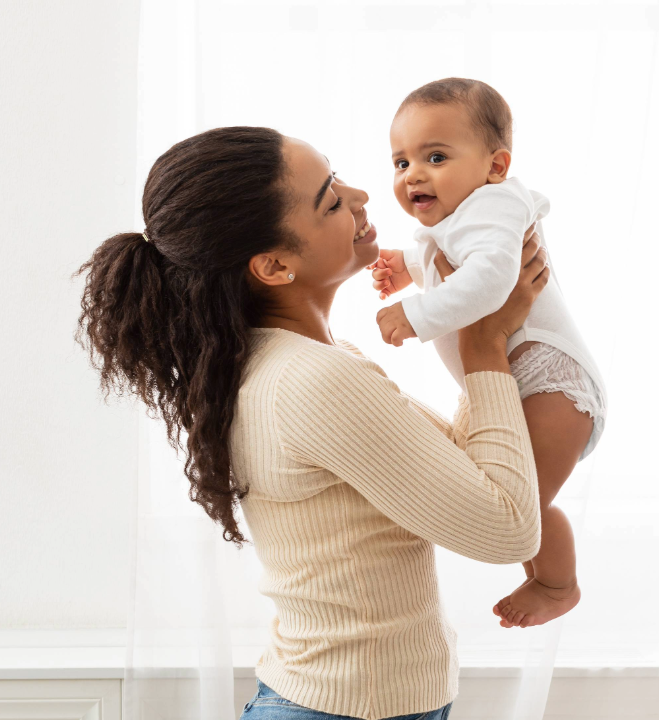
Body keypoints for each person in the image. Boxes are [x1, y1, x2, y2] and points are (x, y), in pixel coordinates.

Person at [74, 126, 551, 720]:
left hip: (349, 702)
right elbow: (506, 530)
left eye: (338, 174)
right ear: (274, 265)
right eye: (330, 198)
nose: (362, 196)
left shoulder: (304, 361)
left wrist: (477, 322)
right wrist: (484, 342)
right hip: (346, 708)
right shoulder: (312, 381)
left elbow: (465, 465)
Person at [370, 78, 607, 628]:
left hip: (550, 383)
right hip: (523, 382)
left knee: (521, 507)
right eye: (401, 162)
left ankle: (557, 584)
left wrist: (416, 315)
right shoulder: (467, 216)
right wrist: (407, 264)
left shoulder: (495, 204)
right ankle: (546, 577)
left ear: (496, 166)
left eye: (435, 156)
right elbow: (454, 248)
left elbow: (492, 278)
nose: (413, 175)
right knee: (520, 500)